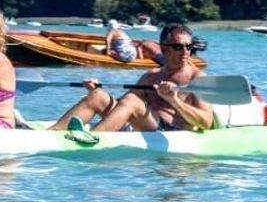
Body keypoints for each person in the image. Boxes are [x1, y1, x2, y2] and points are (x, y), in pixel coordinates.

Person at [51, 23, 215, 139]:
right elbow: (123, 105)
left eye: (189, 47)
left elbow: (207, 122)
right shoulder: (151, 76)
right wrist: (92, 89)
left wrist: (174, 100)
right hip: (144, 125)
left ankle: (94, 137)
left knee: (132, 100)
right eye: (179, 47)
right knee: (98, 95)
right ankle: (52, 134)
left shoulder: (197, 78)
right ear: (164, 48)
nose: (185, 52)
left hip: (170, 132)